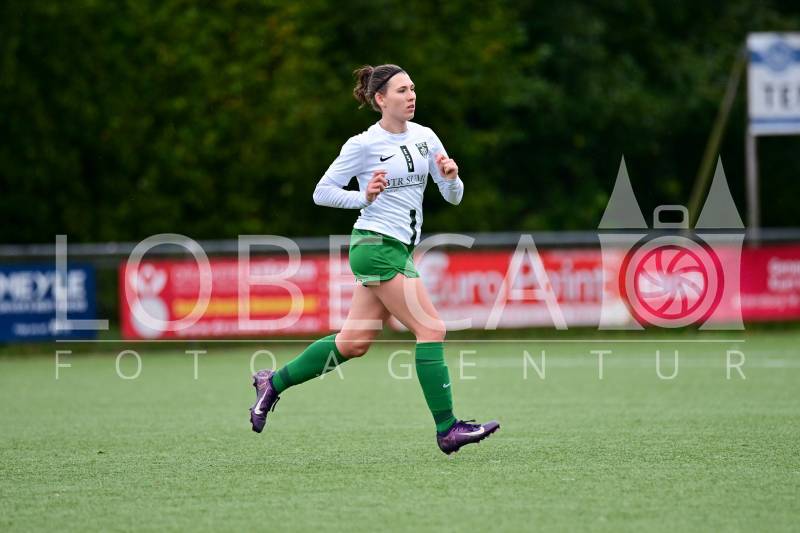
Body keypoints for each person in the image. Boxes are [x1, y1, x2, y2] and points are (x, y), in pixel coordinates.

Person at [249, 64, 499, 455]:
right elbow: (321, 192)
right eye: (401, 90)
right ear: (380, 99)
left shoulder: (426, 136)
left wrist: (452, 178)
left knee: (353, 343)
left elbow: (454, 197)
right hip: (375, 246)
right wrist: (362, 197)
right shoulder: (363, 144)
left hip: (397, 249)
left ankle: (272, 383)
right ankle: (447, 428)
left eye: (412, 88)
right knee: (431, 328)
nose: (411, 95)